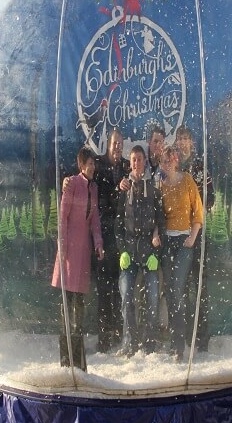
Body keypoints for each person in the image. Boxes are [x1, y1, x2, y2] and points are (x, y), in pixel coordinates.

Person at [51, 147, 104, 371]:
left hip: (83, 253)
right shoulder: (71, 183)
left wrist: (99, 244)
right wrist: (61, 245)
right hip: (68, 253)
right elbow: (62, 217)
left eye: (94, 163)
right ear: (81, 165)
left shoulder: (94, 188)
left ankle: (80, 362)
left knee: (79, 309)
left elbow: (95, 222)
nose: (92, 167)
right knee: (66, 306)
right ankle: (65, 361)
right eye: (88, 163)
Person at [115, 145, 166, 357]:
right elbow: (117, 222)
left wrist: (157, 250)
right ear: (130, 163)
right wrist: (122, 250)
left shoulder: (153, 189)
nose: (137, 163)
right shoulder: (123, 189)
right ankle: (129, 343)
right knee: (127, 296)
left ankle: (150, 344)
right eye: (133, 160)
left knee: (153, 298)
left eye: (140, 159)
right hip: (129, 253)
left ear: (145, 162)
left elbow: (161, 220)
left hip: (150, 254)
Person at [159, 145, 203, 362]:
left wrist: (193, 237)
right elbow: (156, 215)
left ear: (175, 160)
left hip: (185, 241)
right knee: (171, 291)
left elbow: (198, 211)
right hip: (167, 242)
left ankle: (179, 344)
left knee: (177, 289)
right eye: (163, 161)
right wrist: (157, 234)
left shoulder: (187, 180)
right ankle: (176, 343)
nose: (166, 164)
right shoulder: (161, 185)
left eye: (169, 160)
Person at [175, 125, 215, 352]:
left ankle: (201, 338)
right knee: (180, 287)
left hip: (197, 235)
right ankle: (184, 336)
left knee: (199, 287)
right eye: (179, 138)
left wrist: (194, 215)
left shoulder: (200, 167)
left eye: (185, 138)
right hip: (177, 236)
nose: (182, 142)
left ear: (191, 142)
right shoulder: (174, 166)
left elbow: (211, 199)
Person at [94, 129, 129, 352]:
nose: (117, 147)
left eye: (120, 144)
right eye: (115, 143)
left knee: (119, 288)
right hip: (103, 235)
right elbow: (100, 197)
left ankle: (117, 332)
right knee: (103, 288)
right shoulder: (98, 164)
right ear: (108, 144)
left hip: (122, 237)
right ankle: (103, 336)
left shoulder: (127, 166)